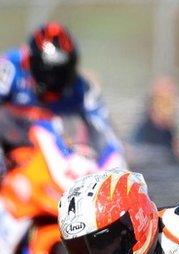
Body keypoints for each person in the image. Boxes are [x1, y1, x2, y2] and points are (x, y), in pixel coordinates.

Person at [0, 21, 123, 166]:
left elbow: (106, 135)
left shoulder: (83, 89)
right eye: (48, 72)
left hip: (57, 159)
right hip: (12, 154)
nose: (55, 80)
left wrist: (113, 165)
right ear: (31, 62)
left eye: (62, 72)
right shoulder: (9, 69)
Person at [131, 76, 179, 163]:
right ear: (152, 107)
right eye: (164, 103)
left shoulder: (168, 131)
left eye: (172, 102)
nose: (171, 109)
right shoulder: (143, 133)